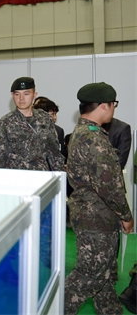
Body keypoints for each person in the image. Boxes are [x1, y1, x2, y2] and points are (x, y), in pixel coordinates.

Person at [64, 82, 134, 314]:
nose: (113, 109)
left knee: (103, 275)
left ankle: (110, 310)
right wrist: (126, 215)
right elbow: (110, 186)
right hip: (97, 218)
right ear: (105, 105)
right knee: (89, 275)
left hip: (91, 215)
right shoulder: (94, 138)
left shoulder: (81, 132)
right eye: (113, 104)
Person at [0, 77, 64, 171]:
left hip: (41, 175)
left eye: (26, 94)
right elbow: (0, 156)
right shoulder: (5, 122)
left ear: (34, 95)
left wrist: (59, 176)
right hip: (16, 176)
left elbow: (54, 153)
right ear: (12, 95)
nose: (21, 98)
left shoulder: (45, 119)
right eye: (17, 94)